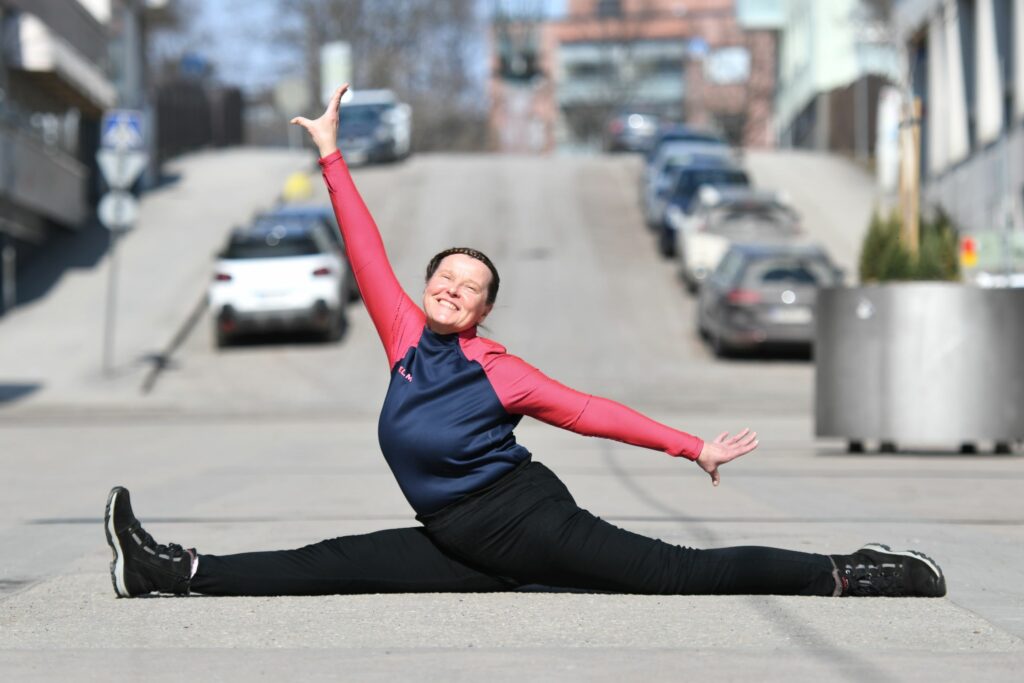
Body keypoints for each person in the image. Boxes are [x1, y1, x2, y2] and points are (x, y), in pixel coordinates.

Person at [104, 85, 946, 600]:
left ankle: (854, 572)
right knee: (331, 559)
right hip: (454, 535)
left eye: (469, 287)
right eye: (445, 276)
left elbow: (585, 411)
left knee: (680, 573)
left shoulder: (496, 370)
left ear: (482, 311)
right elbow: (363, 249)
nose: (451, 289)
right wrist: (330, 154)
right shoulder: (403, 336)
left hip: (523, 523)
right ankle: (172, 571)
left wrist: (689, 445)